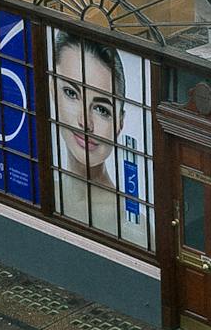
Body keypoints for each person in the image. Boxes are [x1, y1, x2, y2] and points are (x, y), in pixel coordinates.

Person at [50, 31, 149, 249]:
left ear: (120, 123)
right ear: (52, 90)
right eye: (72, 93)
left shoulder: (131, 221)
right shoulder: (38, 188)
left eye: (102, 109)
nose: (85, 122)